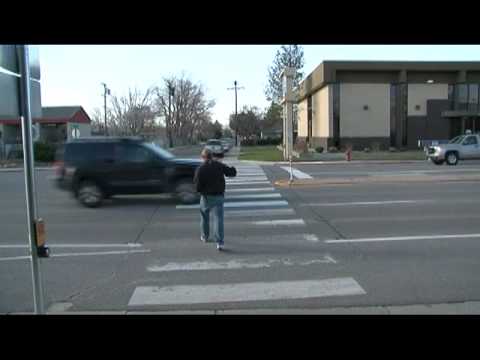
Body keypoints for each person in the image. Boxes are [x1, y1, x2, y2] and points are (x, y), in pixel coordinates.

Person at [194, 148, 236, 251]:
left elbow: (197, 187)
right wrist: (233, 168)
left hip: (206, 197)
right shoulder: (219, 165)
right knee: (218, 219)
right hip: (218, 196)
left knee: (204, 217)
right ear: (212, 156)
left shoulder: (200, 169)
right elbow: (232, 173)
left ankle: (205, 236)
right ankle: (219, 242)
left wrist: (201, 191)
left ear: (203, 157)